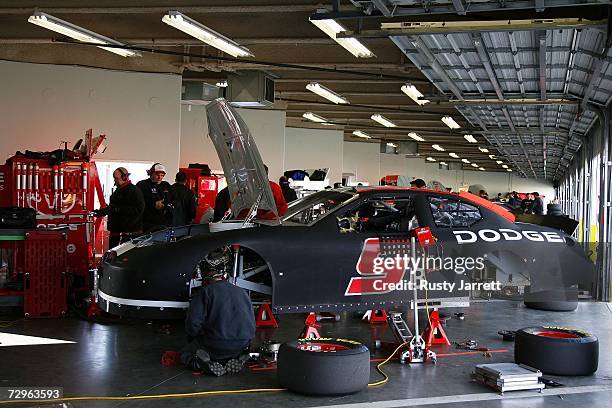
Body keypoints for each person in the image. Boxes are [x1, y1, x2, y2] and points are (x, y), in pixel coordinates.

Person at [180, 249, 255, 376]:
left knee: (185, 352)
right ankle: (240, 357)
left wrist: (192, 338)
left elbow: (193, 323)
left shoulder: (205, 292)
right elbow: (251, 324)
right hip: (242, 343)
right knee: (229, 348)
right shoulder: (242, 292)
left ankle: (201, 363)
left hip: (215, 346)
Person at [94, 167, 145, 248]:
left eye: (116, 178)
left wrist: (118, 209)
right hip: (116, 232)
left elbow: (138, 210)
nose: (115, 180)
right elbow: (112, 208)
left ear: (125, 177)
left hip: (128, 234)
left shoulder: (134, 191)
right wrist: (98, 212)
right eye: (114, 178)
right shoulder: (118, 190)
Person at [136, 163, 174, 232]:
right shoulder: (142, 185)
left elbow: (172, 199)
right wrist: (153, 204)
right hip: (147, 223)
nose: (160, 178)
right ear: (151, 173)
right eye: (157, 175)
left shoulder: (166, 185)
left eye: (162, 175)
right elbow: (137, 203)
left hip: (163, 223)